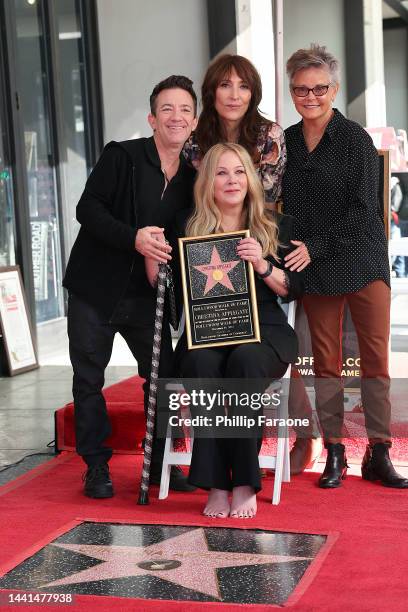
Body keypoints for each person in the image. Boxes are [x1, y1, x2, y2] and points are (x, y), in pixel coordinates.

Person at [146, 143, 303, 518]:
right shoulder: (187, 225)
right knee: (200, 364)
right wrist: (153, 262)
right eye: (221, 172)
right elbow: (168, 290)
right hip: (209, 329)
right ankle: (217, 483)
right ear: (208, 182)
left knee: (246, 362)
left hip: (263, 331)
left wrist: (263, 265)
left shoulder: (276, 225)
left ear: (249, 179)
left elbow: (294, 288)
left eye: (238, 172)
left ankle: (245, 481)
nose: (231, 180)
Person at [183, 53, 319, 473]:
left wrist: (265, 251)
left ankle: (293, 440)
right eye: (225, 85)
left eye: (243, 85)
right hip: (208, 248)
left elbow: (262, 200)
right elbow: (195, 198)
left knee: (252, 353)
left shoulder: (268, 136)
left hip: (259, 240)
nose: (234, 94)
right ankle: (214, 474)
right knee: (205, 360)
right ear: (212, 91)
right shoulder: (194, 140)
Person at [63, 75, 199, 498]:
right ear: (152, 119)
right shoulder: (121, 156)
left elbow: (182, 235)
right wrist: (134, 238)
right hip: (95, 288)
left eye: (184, 111)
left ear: (194, 122)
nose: (176, 117)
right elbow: (88, 209)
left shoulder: (192, 180)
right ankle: (96, 466)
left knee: (161, 376)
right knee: (89, 379)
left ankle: (159, 463)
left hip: (147, 295)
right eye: (167, 110)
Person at [282, 44, 408, 489]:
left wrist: (315, 245)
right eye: (301, 88)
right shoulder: (287, 144)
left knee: (375, 360)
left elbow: (363, 209)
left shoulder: (355, 139)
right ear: (292, 90)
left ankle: (379, 453)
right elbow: (287, 209)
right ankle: (334, 450)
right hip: (315, 265)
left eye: (319, 88)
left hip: (361, 256)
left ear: (333, 88)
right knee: (325, 362)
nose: (310, 96)